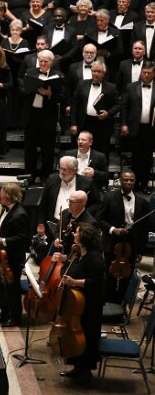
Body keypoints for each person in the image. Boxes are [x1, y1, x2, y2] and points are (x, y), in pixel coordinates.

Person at [52, 222, 104, 380]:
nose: (74, 234)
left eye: (77, 232)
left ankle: (85, 370)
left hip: (89, 303)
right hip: (76, 301)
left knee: (86, 334)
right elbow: (70, 268)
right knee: (74, 332)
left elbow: (95, 282)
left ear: (84, 237)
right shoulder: (79, 253)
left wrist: (74, 282)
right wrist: (66, 259)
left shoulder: (95, 257)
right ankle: (76, 367)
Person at [96, 170, 150, 303]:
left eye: (131, 180)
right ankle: (108, 304)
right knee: (109, 274)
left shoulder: (142, 202)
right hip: (113, 242)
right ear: (120, 181)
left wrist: (140, 251)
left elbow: (144, 229)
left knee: (127, 274)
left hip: (132, 243)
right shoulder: (109, 197)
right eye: (126, 180)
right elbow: (99, 219)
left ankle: (122, 304)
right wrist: (113, 230)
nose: (129, 182)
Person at [19, 49, 65, 181]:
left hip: (47, 116)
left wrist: (50, 94)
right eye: (41, 61)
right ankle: (30, 175)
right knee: (30, 147)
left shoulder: (58, 75)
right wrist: (29, 90)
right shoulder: (30, 72)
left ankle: (46, 176)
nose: (43, 64)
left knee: (47, 148)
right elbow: (21, 89)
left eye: (45, 61)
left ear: (51, 62)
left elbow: (63, 97)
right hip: (31, 114)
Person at [0, 183, 30, 327]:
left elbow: (22, 238)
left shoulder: (20, 214)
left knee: (12, 289)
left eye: (2, 193)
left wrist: (3, 241)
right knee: (0, 287)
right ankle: (4, 313)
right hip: (2, 256)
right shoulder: (2, 208)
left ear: (9, 196)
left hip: (13, 257)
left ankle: (15, 317)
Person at [37, 156, 101, 239]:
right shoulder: (52, 179)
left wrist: (81, 214)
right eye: (60, 168)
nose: (62, 172)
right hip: (53, 223)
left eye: (65, 169)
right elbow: (43, 203)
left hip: (76, 226)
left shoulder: (87, 182)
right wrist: (41, 222)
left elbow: (96, 204)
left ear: (75, 170)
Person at [69, 61, 119, 158]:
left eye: (99, 72)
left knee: (102, 150)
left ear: (104, 73)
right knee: (82, 149)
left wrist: (108, 113)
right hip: (84, 122)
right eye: (94, 71)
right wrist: (73, 124)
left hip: (102, 124)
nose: (96, 74)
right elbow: (74, 105)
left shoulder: (111, 87)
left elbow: (118, 104)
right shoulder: (82, 84)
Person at [120, 61, 155, 194]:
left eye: (149, 73)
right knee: (135, 158)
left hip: (151, 129)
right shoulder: (131, 87)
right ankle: (133, 185)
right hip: (135, 128)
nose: (146, 75)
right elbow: (124, 107)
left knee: (147, 158)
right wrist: (123, 124)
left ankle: (144, 184)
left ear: (153, 74)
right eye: (144, 72)